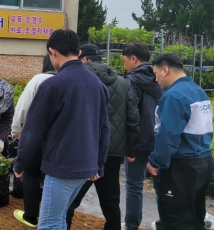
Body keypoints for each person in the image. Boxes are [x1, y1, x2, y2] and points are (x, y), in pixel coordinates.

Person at [13, 29, 110, 230]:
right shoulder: (97, 85)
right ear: (78, 52)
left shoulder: (54, 85)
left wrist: (20, 163)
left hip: (62, 166)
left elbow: (32, 130)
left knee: (49, 223)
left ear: (53, 51)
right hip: (85, 167)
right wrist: (98, 165)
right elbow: (104, 129)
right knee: (58, 218)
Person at [66, 44, 140, 230]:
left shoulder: (77, 80)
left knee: (69, 200)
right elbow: (133, 119)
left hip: (82, 151)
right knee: (111, 202)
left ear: (83, 59)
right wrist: (131, 149)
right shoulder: (122, 83)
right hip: (112, 152)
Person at [146, 53, 213, 229]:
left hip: (182, 166)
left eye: (156, 73)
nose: (156, 79)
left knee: (175, 218)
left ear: (165, 70)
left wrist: (155, 161)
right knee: (194, 214)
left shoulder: (174, 95)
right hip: (203, 160)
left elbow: (167, 134)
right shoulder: (197, 91)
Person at [121, 43, 163, 230]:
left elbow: (130, 115)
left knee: (134, 186)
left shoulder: (132, 81)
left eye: (125, 61)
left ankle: (131, 226)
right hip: (160, 141)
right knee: (163, 187)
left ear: (133, 59)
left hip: (138, 143)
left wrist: (129, 145)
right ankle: (165, 223)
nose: (125, 66)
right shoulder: (161, 78)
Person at [12, 54, 56, 227]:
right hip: (58, 140)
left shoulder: (39, 79)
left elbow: (23, 107)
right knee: (51, 178)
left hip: (37, 136)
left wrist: (16, 131)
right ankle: (49, 216)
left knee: (31, 174)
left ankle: (31, 216)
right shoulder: (67, 80)